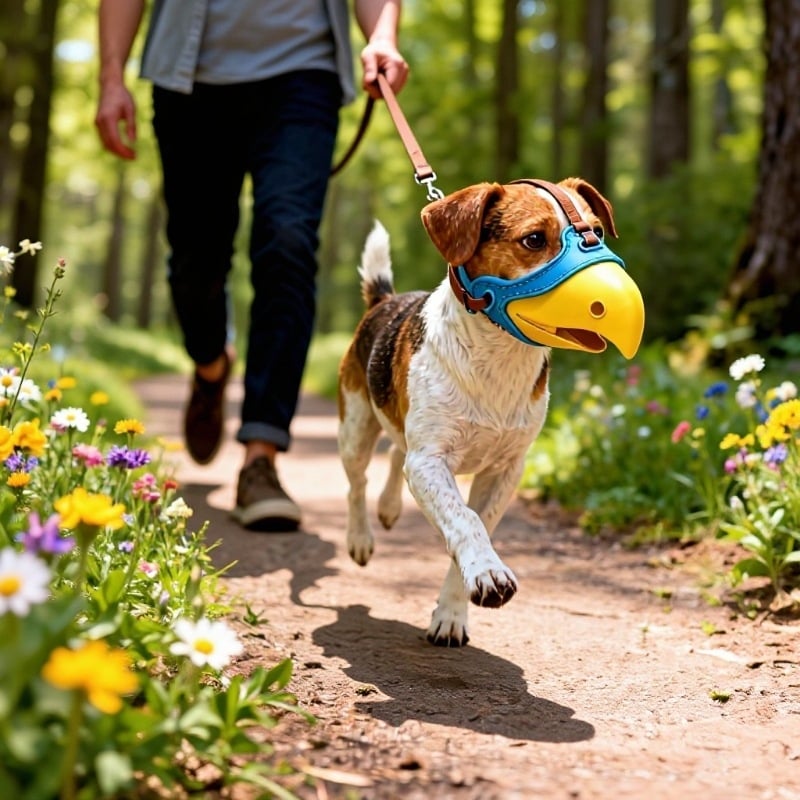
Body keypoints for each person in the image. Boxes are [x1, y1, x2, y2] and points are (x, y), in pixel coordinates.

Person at [94, 0, 408, 531]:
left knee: (288, 243)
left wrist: (383, 34)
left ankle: (261, 456)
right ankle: (212, 364)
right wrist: (110, 78)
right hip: (187, 78)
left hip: (303, 77)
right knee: (197, 257)